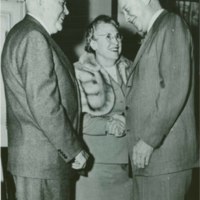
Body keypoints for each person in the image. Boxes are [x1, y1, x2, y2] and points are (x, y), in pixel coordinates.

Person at [1, 0, 89, 199]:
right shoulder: (34, 37)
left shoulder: (21, 33)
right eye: (62, 3)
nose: (66, 11)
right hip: (44, 164)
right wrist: (74, 149)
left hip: (37, 165)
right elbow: (45, 106)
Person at [118, 0, 199, 199]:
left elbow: (173, 90)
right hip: (152, 160)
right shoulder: (157, 30)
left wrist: (148, 140)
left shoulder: (171, 24)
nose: (127, 19)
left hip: (163, 158)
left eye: (127, 10)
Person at [74, 15, 133, 200]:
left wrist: (127, 120)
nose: (115, 41)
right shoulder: (79, 72)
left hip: (131, 165)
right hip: (96, 166)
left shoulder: (131, 68)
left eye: (117, 36)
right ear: (93, 42)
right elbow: (75, 120)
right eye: (107, 36)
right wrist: (108, 124)